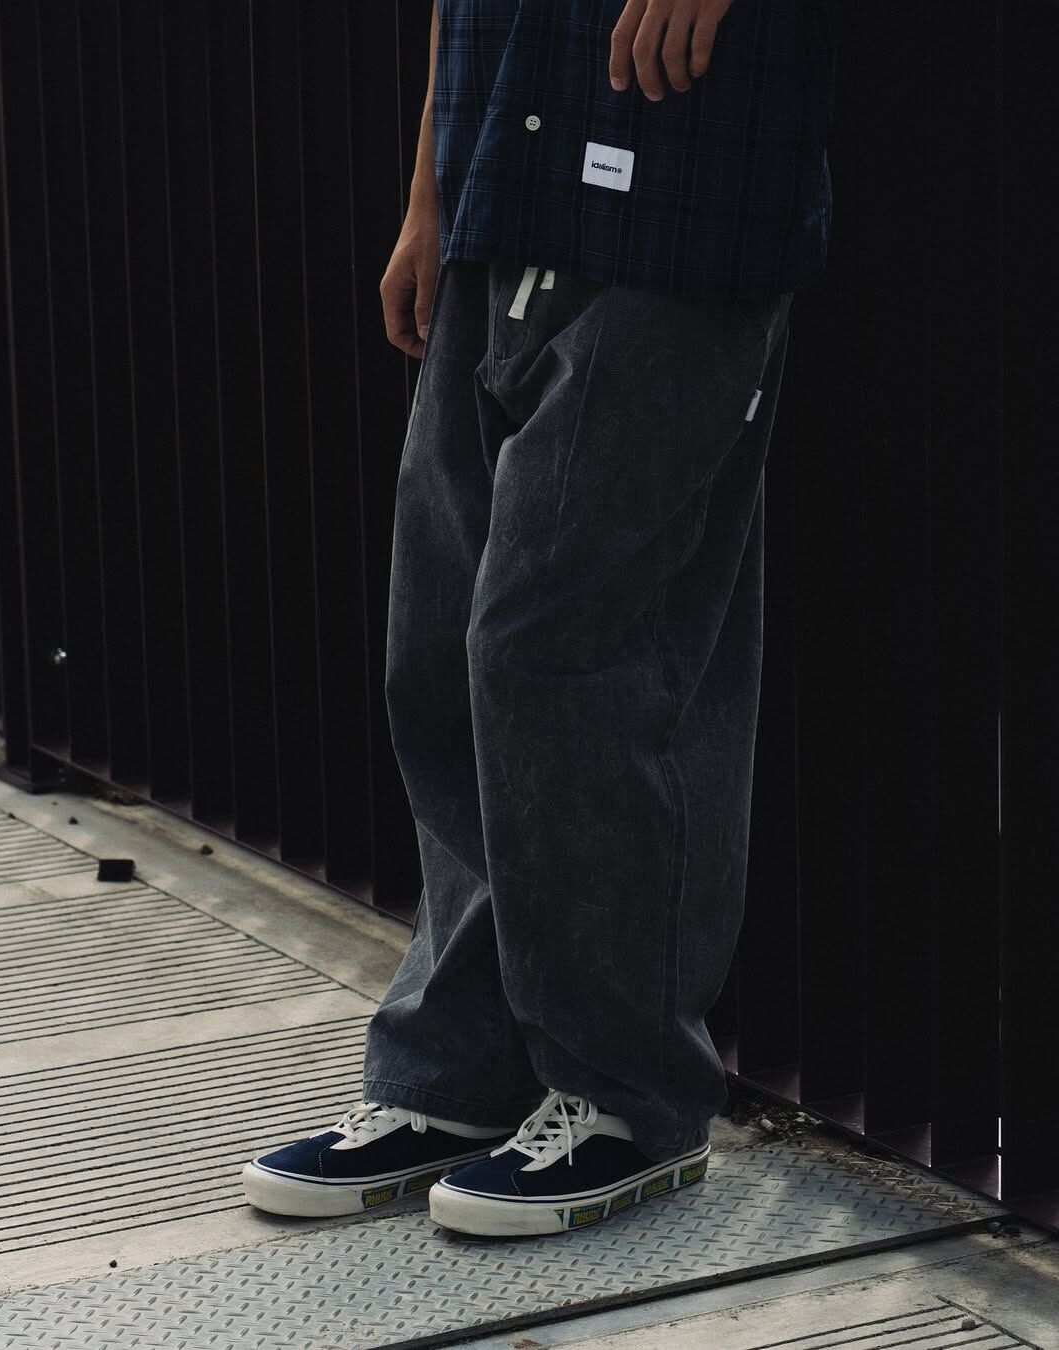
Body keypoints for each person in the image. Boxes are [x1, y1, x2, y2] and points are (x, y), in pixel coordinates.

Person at [243, 0, 838, 1238]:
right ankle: (457, 1078)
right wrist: (431, 195)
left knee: (564, 650)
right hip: (502, 186)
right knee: (442, 647)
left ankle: (631, 1098)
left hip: (684, 200)